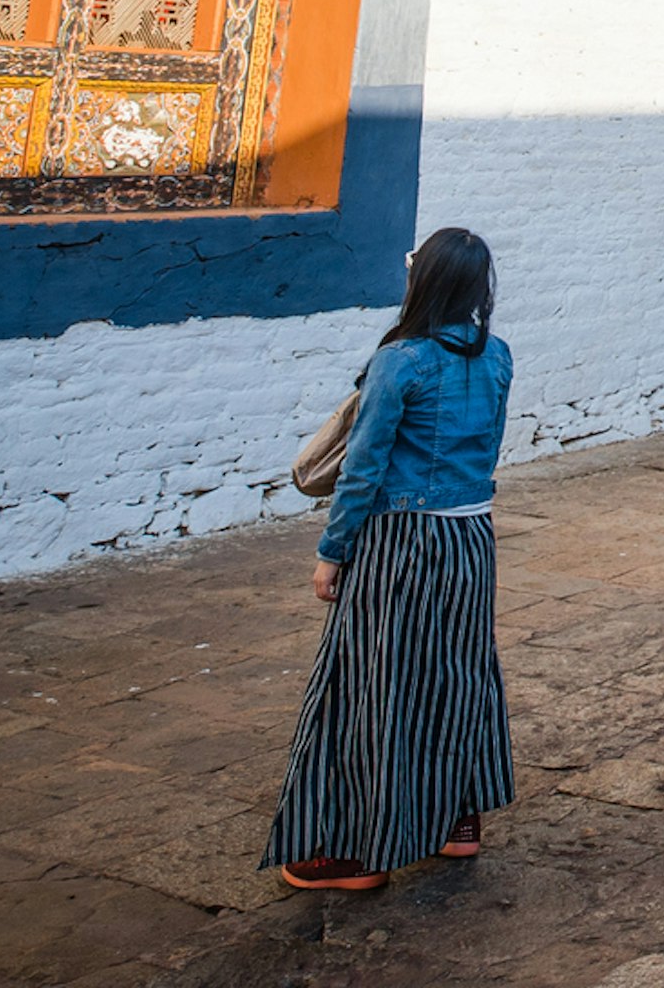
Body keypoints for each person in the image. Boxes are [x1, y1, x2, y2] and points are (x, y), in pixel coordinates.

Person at [264, 227, 518, 891]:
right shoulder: (498, 359)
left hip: (399, 542)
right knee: (457, 673)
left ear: (423, 282)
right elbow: (487, 453)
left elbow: (363, 468)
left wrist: (331, 551)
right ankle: (458, 820)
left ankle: (355, 853)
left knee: (371, 683)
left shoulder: (400, 361)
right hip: (470, 538)